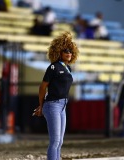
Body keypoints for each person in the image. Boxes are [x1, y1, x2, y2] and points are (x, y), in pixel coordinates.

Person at [33, 32, 79, 160]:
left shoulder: (68, 68)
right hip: (53, 105)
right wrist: (41, 105)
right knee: (55, 141)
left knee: (60, 142)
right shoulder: (53, 67)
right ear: (58, 52)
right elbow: (43, 87)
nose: (68, 53)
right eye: (65, 50)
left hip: (63, 105)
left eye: (70, 50)